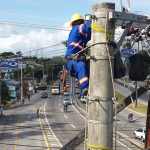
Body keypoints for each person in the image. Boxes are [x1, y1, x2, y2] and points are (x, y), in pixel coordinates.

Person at [64, 13, 91, 96]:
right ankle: (84, 88)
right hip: (72, 60)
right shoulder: (77, 28)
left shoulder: (81, 36)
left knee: (89, 71)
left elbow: (90, 33)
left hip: (76, 60)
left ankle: (85, 92)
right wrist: (94, 20)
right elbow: (87, 27)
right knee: (81, 66)